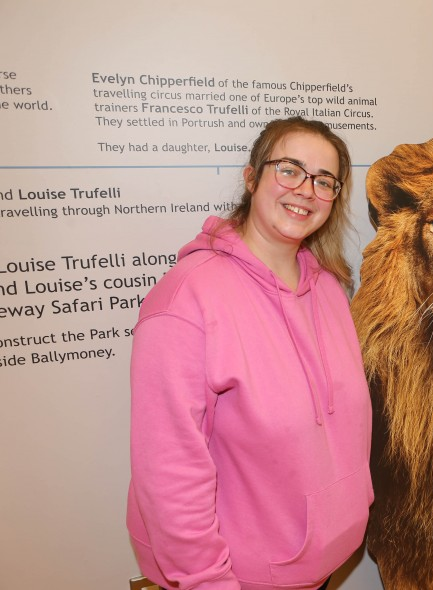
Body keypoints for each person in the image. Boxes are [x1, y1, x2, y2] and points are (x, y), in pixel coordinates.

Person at [127, 117, 373, 590]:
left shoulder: (329, 288)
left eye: (325, 181)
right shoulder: (186, 300)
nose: (306, 190)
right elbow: (171, 471)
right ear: (251, 176)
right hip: (236, 580)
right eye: (289, 170)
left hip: (316, 567)